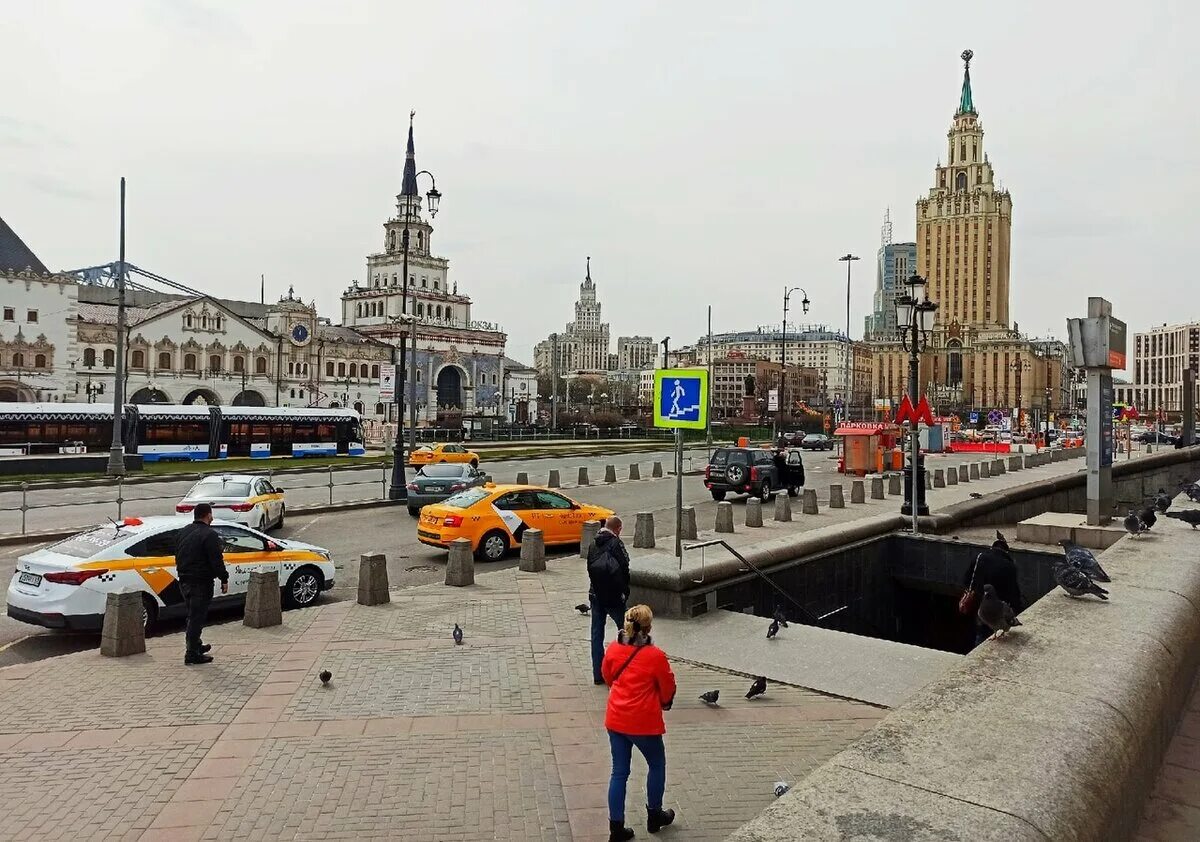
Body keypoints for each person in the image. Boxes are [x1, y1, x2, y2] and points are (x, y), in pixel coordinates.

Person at [602, 604, 677, 840]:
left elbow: (607, 676)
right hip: (643, 723)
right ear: (648, 627)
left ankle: (616, 828)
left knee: (619, 772)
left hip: (616, 719)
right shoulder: (655, 656)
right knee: (656, 764)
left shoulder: (613, 648)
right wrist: (664, 702)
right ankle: (654, 815)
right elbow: (668, 686)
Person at [173, 502, 229, 665]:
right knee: (196, 618)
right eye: (211, 514)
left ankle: (196, 645)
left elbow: (178, 554)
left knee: (193, 614)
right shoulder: (209, 535)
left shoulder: (184, 532)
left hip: (184, 580)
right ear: (208, 515)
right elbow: (216, 560)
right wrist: (223, 578)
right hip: (201, 582)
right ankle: (191, 654)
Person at [588, 515, 630, 685]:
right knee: (627, 631)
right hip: (614, 597)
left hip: (595, 594)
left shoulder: (593, 543)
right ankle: (625, 670)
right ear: (618, 529)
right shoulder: (616, 543)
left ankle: (598, 674)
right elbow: (624, 567)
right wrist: (624, 593)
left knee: (596, 635)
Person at [962, 531, 1024, 647]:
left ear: (992, 548)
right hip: (999, 609)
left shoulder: (979, 557)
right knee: (994, 633)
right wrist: (1018, 609)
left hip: (980, 607)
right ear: (1006, 552)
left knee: (981, 634)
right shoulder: (1009, 566)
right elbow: (1014, 594)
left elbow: (966, 581)